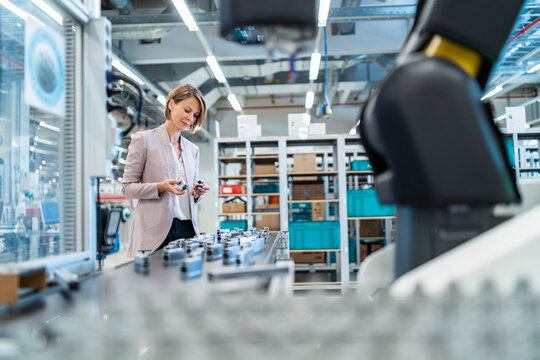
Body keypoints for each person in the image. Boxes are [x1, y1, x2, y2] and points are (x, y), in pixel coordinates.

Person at [122, 84, 210, 257]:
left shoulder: (193, 150)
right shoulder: (143, 140)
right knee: (153, 282)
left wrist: (196, 193)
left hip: (187, 230)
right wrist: (160, 187)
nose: (190, 118)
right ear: (171, 104)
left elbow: (188, 196)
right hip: (155, 232)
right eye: (187, 110)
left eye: (195, 115)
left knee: (186, 281)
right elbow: (127, 189)